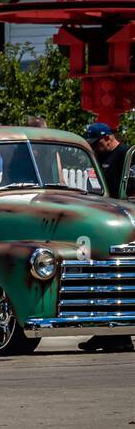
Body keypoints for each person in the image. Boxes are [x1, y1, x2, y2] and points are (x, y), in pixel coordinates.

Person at [80, 124, 134, 352]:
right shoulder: (104, 157)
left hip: (123, 223)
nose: (95, 148)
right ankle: (107, 333)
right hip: (108, 220)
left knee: (118, 279)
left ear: (108, 138)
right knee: (104, 279)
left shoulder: (127, 155)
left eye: (96, 143)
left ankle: (116, 335)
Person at [84, 122, 127, 196]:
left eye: (95, 144)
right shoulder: (99, 155)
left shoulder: (125, 154)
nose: (93, 148)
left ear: (107, 139)